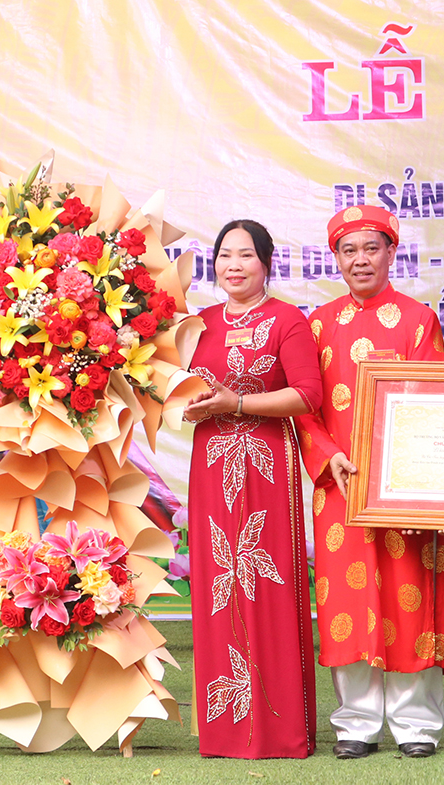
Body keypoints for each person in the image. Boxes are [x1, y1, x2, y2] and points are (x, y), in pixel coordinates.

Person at [296, 205, 444, 759]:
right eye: (349, 250)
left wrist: (420, 476)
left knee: (412, 601)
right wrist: (328, 454)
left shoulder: (418, 320)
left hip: (407, 486)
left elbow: (438, 404)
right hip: (337, 484)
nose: (360, 259)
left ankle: (416, 726)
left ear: (392, 251)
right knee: (346, 601)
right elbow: (303, 407)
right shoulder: (314, 324)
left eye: (371, 248)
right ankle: (355, 724)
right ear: (335, 258)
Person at [183, 220, 322, 758]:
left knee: (269, 587)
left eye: (245, 255)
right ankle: (225, 731)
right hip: (212, 466)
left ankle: (281, 730)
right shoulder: (196, 325)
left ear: (266, 262)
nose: (233, 265)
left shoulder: (288, 320)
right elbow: (176, 391)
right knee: (219, 586)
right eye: (224, 255)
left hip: (267, 463)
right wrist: (190, 405)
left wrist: (235, 404)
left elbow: (306, 395)